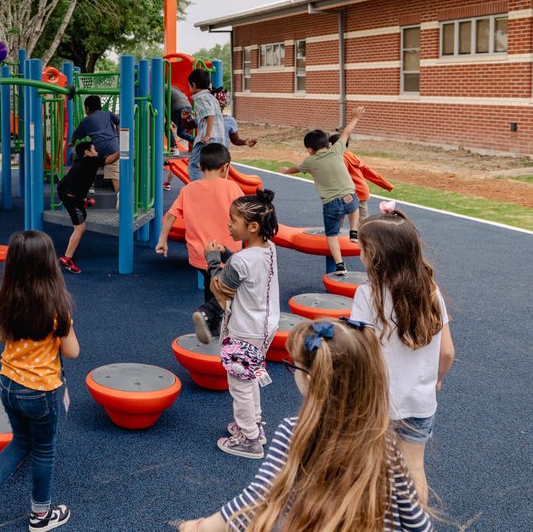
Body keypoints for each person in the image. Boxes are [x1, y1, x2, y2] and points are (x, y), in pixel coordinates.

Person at [174, 318, 432, 532]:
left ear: (310, 378)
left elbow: (256, 501)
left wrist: (198, 527)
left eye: (293, 365)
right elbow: (418, 523)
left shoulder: (295, 433)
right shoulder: (383, 441)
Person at [0, 230, 78, 532]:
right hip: (41, 391)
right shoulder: (56, 306)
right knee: (43, 450)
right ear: (48, 264)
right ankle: (40, 515)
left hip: (8, 385)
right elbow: (73, 351)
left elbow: (1, 335)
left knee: (20, 441)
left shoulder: (6, 299)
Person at [351, 203, 455, 505]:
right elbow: (447, 352)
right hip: (419, 401)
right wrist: (436, 380)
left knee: (370, 469)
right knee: (414, 470)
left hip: (376, 402)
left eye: (363, 249)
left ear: (378, 256)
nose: (360, 255)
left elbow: (362, 352)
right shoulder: (431, 291)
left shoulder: (366, 295)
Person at [207, 189, 280, 459]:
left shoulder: (240, 261)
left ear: (252, 226)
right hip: (264, 327)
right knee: (249, 378)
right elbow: (248, 269)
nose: (228, 224)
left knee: (239, 384)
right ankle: (254, 426)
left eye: (233, 220)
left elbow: (221, 286)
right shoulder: (268, 249)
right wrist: (227, 252)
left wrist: (213, 259)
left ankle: (249, 440)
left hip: (244, 330)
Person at [154, 143, 245, 343]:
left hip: (200, 253)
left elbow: (170, 215)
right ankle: (206, 314)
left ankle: (212, 328)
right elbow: (245, 216)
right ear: (225, 167)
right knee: (233, 290)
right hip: (227, 252)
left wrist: (162, 240)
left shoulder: (189, 189)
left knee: (210, 285)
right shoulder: (232, 187)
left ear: (201, 167)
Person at [279, 106, 365, 276]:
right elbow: (346, 133)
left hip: (331, 203)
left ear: (310, 150)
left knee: (332, 235)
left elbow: (296, 169)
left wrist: (285, 170)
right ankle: (354, 230)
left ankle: (340, 265)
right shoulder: (337, 150)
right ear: (328, 144)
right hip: (349, 196)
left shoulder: (309, 161)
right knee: (354, 208)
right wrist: (355, 117)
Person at [55, 141, 118, 273]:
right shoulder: (91, 161)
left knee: (83, 194)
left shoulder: (80, 162)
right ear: (87, 153)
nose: (97, 152)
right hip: (71, 199)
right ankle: (66, 258)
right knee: (80, 228)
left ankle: (84, 200)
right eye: (94, 150)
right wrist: (124, 150)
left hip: (65, 191)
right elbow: (111, 159)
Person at [69, 95, 120, 192]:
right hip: (114, 146)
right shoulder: (108, 114)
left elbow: (76, 134)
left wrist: (71, 142)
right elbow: (119, 122)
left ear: (87, 108)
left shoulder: (86, 121)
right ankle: (119, 193)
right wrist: (118, 134)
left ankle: (90, 186)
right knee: (114, 171)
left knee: (88, 163)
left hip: (98, 148)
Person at [186, 70, 225, 182]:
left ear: (193, 85)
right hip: (219, 139)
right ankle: (214, 189)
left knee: (194, 166)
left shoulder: (199, 98)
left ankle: (201, 190)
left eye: (189, 86)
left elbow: (209, 115)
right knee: (214, 167)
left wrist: (207, 135)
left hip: (207, 139)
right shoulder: (212, 98)